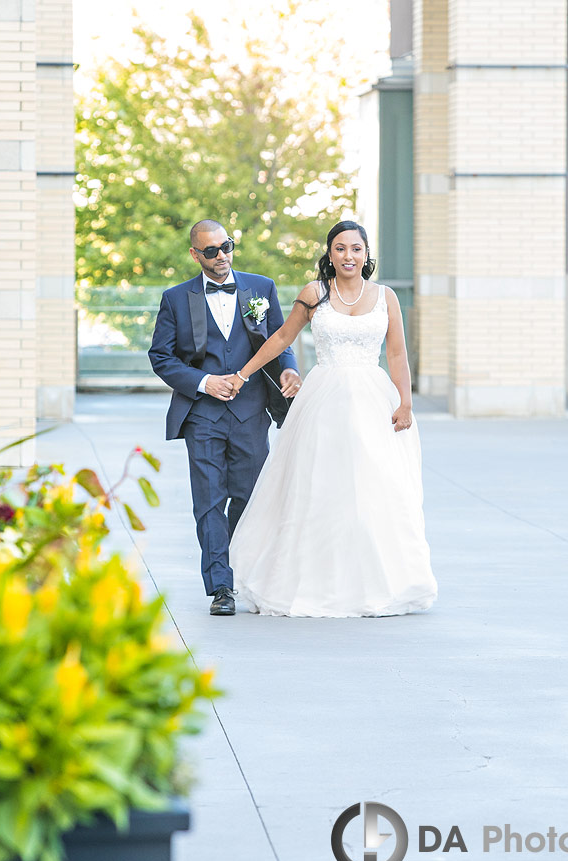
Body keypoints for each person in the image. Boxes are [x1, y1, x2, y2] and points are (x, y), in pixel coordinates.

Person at [227, 220, 437, 618]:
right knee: (319, 487)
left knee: (374, 489)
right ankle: (309, 581)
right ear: (329, 253)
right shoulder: (314, 294)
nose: (348, 256)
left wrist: (406, 403)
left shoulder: (386, 297)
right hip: (323, 400)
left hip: (374, 402)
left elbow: (396, 354)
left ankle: (377, 583)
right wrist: (243, 374)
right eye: (340, 249)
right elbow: (282, 338)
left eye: (356, 249)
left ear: (366, 254)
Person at [148, 219, 301, 616]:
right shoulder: (175, 299)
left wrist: (289, 369)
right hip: (203, 414)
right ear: (195, 254)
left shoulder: (261, 288)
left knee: (249, 497)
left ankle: (243, 571)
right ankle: (221, 587)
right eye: (211, 251)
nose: (222, 256)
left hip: (251, 410)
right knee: (209, 501)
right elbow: (160, 357)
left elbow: (279, 340)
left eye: (226, 246)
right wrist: (203, 382)